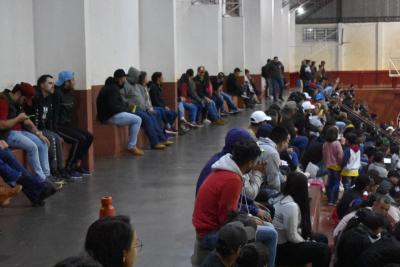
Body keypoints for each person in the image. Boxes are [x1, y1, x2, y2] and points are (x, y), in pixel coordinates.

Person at [192, 140, 265, 266]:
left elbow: (228, 209)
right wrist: (248, 220)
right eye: (254, 162)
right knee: (265, 233)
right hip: (210, 234)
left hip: (204, 227)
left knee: (253, 224)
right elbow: (226, 219)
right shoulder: (233, 179)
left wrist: (247, 217)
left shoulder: (225, 168)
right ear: (250, 163)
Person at [270, 172, 331, 267]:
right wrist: (307, 242)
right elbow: (292, 236)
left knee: (322, 238)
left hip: (284, 243)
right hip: (282, 250)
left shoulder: (283, 196)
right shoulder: (291, 206)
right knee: (323, 250)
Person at [27, 74, 80, 180]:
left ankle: (61, 168)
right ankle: (54, 170)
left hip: (43, 128)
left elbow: (50, 119)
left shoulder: (49, 98)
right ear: (42, 85)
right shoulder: (35, 98)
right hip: (34, 129)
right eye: (50, 83)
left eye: (53, 83)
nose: (53, 86)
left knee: (56, 137)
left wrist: (55, 132)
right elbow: (30, 119)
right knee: (52, 138)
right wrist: (38, 132)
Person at [0, 82, 51, 181]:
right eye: (24, 99)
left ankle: (47, 176)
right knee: (32, 147)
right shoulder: (3, 101)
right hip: (8, 134)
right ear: (19, 94)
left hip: (20, 131)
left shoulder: (17, 102)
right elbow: (2, 125)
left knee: (43, 143)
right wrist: (17, 119)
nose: (24, 103)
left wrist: (38, 133)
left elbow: (26, 120)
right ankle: (41, 179)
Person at [54, 70, 93, 176]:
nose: (74, 82)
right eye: (72, 80)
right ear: (66, 82)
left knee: (89, 136)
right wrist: (55, 131)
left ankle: (77, 164)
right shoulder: (57, 94)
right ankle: (69, 167)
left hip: (67, 125)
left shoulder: (70, 92)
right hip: (58, 126)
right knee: (78, 140)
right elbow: (54, 114)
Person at [121, 67, 171, 149]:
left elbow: (142, 99)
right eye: (136, 77)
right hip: (133, 109)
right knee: (147, 119)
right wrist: (130, 104)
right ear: (133, 76)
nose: (138, 78)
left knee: (153, 116)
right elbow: (122, 99)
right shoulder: (125, 86)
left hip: (142, 108)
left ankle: (162, 139)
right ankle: (154, 142)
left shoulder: (136, 85)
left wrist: (148, 108)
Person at [96, 69, 143, 156]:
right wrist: (126, 109)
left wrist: (127, 108)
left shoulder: (111, 87)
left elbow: (118, 104)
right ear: (120, 79)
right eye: (124, 79)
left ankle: (131, 145)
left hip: (108, 115)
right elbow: (113, 108)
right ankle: (131, 146)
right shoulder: (112, 89)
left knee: (134, 115)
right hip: (108, 117)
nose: (125, 81)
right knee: (137, 119)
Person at [258, 126, 289, 196]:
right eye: (286, 142)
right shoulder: (272, 153)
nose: (287, 145)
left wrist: (285, 180)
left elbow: (276, 171)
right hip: (257, 186)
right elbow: (274, 183)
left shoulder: (261, 142)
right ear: (282, 142)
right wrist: (278, 198)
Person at [323, 126, 343, 205]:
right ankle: (333, 200)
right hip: (336, 167)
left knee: (329, 183)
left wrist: (326, 164)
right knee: (336, 183)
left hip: (328, 166)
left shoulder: (325, 144)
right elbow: (340, 156)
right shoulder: (337, 143)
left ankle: (329, 199)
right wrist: (341, 164)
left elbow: (324, 156)